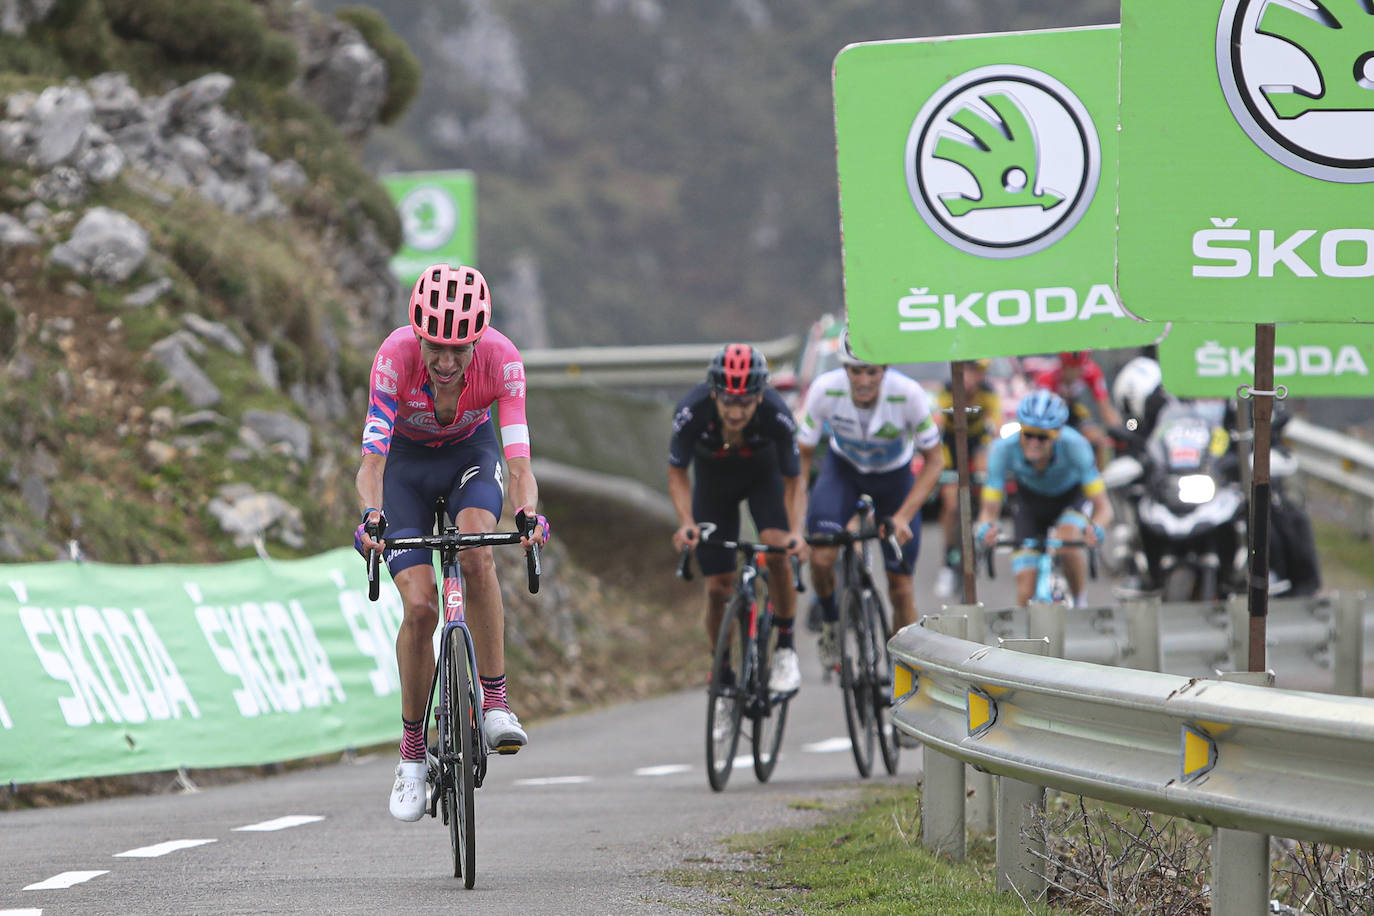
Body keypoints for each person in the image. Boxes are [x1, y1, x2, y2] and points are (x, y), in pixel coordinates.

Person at [355, 263, 550, 823]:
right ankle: (413, 754)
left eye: (458, 349)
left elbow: (518, 462)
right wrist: (371, 515)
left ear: (478, 339)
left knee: (476, 550)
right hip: (407, 471)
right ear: (417, 335)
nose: (444, 362)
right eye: (434, 347)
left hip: (471, 456)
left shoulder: (503, 360)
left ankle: (494, 701)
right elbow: (372, 460)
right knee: (419, 607)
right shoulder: (394, 357)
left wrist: (527, 512)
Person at [797, 328, 944, 668]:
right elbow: (802, 456)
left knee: (901, 586)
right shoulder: (825, 389)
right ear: (844, 369)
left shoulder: (908, 394)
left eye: (872, 371)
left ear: (885, 368)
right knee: (820, 557)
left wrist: (904, 516)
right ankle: (832, 623)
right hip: (843, 472)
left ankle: (908, 668)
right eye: (855, 371)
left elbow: (935, 461)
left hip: (894, 479)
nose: (863, 380)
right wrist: (799, 515)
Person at [668, 344, 807, 699]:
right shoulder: (691, 410)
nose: (735, 411)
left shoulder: (778, 414)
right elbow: (678, 473)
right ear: (714, 393)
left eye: (745, 402)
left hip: (764, 477)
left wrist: (796, 533)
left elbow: (794, 481)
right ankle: (722, 670)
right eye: (728, 400)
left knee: (776, 551)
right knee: (717, 587)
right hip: (713, 485)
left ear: (760, 397)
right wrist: (686, 522)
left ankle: (785, 648)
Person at [974, 389, 1111, 607]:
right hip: (1029, 502)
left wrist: (1097, 528)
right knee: (1025, 586)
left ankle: (1080, 602)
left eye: (1042, 436)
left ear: (1057, 434)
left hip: (1070, 497)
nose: (1034, 442)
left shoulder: (1076, 446)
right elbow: (989, 510)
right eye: (1028, 434)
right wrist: (986, 528)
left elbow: (1104, 508)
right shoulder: (1002, 449)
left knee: (1067, 541)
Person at [933, 359, 1001, 600]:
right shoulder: (947, 390)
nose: (975, 378)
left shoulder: (988, 393)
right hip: (951, 443)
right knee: (951, 503)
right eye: (971, 371)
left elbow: (997, 424)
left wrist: (994, 441)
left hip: (977, 443)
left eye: (979, 372)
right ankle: (948, 559)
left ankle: (981, 528)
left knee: (985, 480)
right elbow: (937, 421)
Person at [1035, 350, 1121, 468]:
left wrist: (1119, 431)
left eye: (1078, 368)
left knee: (1097, 439)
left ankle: (1097, 477)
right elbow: (1040, 414)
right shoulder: (1047, 376)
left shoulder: (1091, 371)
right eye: (1069, 368)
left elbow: (1105, 406)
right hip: (1051, 416)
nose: (1074, 373)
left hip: (1074, 411)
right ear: (1061, 364)